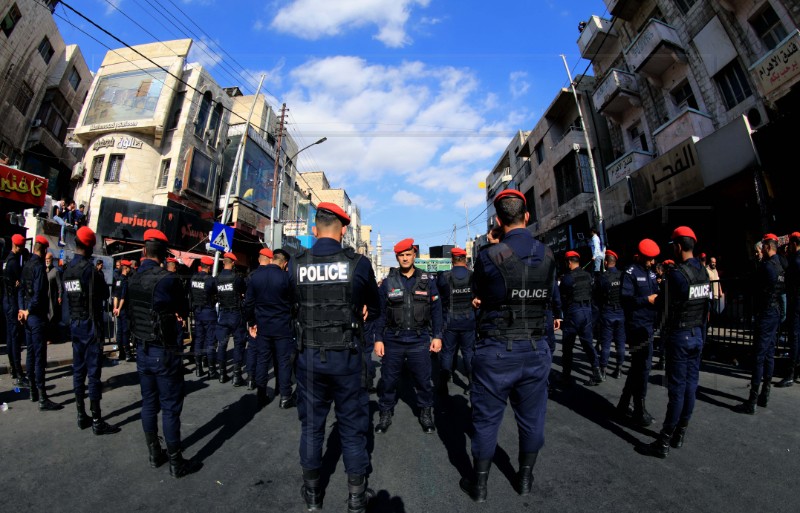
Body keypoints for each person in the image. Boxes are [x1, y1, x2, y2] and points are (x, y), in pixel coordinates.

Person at [460, 189, 560, 502]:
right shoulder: (548, 255)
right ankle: (525, 479)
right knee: (532, 420)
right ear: (527, 216)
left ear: (498, 221)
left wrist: (494, 243)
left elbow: (479, 291)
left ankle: (479, 486)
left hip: (496, 350)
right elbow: (549, 298)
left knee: (487, 420)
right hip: (534, 348)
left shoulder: (489, 256)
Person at [291, 202, 381, 512]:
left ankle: (313, 494)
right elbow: (376, 307)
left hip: (310, 359)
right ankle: (356, 498)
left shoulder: (296, 263)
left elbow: (291, 306)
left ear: (314, 230)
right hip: (347, 358)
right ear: (343, 230)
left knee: (313, 427)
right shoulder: (359, 264)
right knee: (353, 428)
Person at [128, 228, 199, 478]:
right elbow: (184, 307)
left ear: (144, 251)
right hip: (164, 350)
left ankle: (153, 453)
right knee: (170, 407)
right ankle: (175, 461)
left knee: (149, 403)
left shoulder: (132, 278)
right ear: (164, 254)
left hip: (142, 349)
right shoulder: (168, 280)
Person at [640, 226, 710, 458]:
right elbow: (705, 307)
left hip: (680, 336)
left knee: (677, 391)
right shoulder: (703, 272)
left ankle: (664, 441)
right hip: (697, 334)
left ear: (678, 246)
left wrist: (654, 300)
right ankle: (680, 433)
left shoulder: (677, 275)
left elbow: (664, 305)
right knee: (691, 387)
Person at [373, 238, 443, 435]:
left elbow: (437, 310)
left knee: (423, 380)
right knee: (388, 380)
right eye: (401, 255)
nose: (405, 258)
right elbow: (379, 313)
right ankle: (385, 413)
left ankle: (425, 413)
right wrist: (378, 338)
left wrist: (437, 336)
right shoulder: (388, 283)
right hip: (393, 339)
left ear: (414, 255)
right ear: (397, 257)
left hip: (419, 339)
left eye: (408, 254)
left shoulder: (427, 281)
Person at [63, 226, 119, 435]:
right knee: (93, 374)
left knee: (78, 371)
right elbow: (104, 294)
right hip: (91, 326)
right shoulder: (89, 271)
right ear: (88, 247)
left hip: (75, 324)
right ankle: (96, 420)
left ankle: (81, 415)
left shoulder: (68, 269)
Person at [735, 233, 786, 414]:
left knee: (759, 356)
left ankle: (752, 400)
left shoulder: (766, 267)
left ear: (766, 247)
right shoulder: (781, 265)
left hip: (765, 313)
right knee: (769, 354)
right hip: (775, 312)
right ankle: (764, 394)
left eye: (762, 247)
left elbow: (753, 286)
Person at [616, 239, 661, 427]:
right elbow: (626, 300)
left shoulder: (650, 273)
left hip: (648, 325)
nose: (652, 262)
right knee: (643, 367)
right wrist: (646, 300)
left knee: (637, 366)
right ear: (641, 256)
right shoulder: (630, 273)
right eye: (649, 259)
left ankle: (624, 403)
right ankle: (639, 409)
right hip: (636, 326)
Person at [244, 247, 296, 408]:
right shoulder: (286, 278)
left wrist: (251, 323)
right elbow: (295, 303)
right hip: (282, 327)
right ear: (284, 263)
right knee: (283, 362)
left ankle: (261, 394)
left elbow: (248, 303)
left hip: (263, 327)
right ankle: (285, 396)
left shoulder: (256, 277)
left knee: (262, 360)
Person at [18, 236, 62, 410]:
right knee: (39, 356)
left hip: (27, 316)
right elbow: (38, 294)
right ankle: (43, 397)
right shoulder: (38, 268)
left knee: (30, 354)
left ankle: (33, 393)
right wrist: (28, 310)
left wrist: (21, 310)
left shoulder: (27, 265)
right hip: (36, 316)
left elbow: (21, 290)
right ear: (43, 250)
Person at [558, 250, 603, 386]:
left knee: (567, 345)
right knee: (588, 343)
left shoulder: (567, 278)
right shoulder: (588, 276)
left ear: (569, 262)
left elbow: (562, 298)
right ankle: (597, 372)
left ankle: (566, 376)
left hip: (574, 311)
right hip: (587, 311)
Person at [436, 247, 476, 395]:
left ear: (452, 259)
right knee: (468, 353)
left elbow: (438, 298)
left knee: (447, 352)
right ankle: (472, 384)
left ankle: (444, 383)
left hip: (449, 321)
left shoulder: (444, 276)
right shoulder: (473, 276)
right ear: (464, 259)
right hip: (468, 321)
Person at [215, 252, 247, 385]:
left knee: (222, 345)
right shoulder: (236, 278)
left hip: (223, 314)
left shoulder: (216, 279)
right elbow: (244, 291)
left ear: (224, 263)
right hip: (235, 314)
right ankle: (236, 375)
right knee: (239, 344)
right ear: (233, 263)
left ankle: (222, 374)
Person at [594, 249, 626, 379]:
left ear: (606, 262)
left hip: (607, 312)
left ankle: (603, 370)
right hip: (621, 312)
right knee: (620, 342)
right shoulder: (623, 276)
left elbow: (596, 297)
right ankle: (618, 368)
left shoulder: (602, 278)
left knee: (606, 342)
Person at [776, 232, 800, 388]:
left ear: (794, 243)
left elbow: (788, 277)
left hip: (796, 301)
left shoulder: (796, 260)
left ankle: (791, 373)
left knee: (794, 336)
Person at [4, 234, 27, 384]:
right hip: (12, 302)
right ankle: (18, 372)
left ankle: (13, 368)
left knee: (9, 337)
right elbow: (19, 283)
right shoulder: (14, 263)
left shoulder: (6, 261)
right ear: (16, 246)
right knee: (15, 338)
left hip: (6, 300)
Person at [189, 256, 217, 378]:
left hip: (198, 312)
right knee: (210, 340)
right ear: (209, 267)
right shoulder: (211, 280)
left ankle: (198, 369)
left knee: (199, 339)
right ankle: (211, 370)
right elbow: (216, 293)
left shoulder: (193, 278)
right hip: (208, 312)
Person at [112, 260, 133, 362]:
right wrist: (119, 308)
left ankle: (121, 353)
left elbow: (116, 295)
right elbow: (123, 297)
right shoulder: (125, 280)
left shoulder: (118, 280)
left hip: (118, 309)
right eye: (129, 267)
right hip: (124, 310)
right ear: (126, 268)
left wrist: (115, 308)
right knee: (125, 331)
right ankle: (128, 353)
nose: (130, 269)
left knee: (119, 332)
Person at [44, 251, 63, 345]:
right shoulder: (43, 270)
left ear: (52, 260)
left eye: (48, 259)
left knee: (52, 318)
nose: (47, 261)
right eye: (46, 259)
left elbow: (60, 285)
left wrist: (60, 296)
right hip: (44, 298)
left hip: (52, 298)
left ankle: (51, 337)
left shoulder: (55, 271)